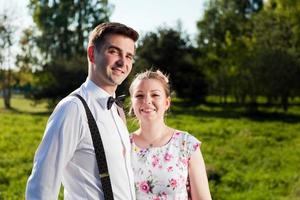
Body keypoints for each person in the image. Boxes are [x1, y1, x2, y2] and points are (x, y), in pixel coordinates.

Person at [26, 22, 139, 199]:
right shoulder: (73, 109)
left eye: (129, 56)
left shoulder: (117, 109)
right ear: (92, 54)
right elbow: (41, 187)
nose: (123, 62)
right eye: (114, 51)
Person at [129, 70, 212, 200]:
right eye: (139, 95)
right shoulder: (122, 144)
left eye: (155, 95)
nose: (147, 101)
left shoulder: (186, 144)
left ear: (167, 103)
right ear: (132, 103)